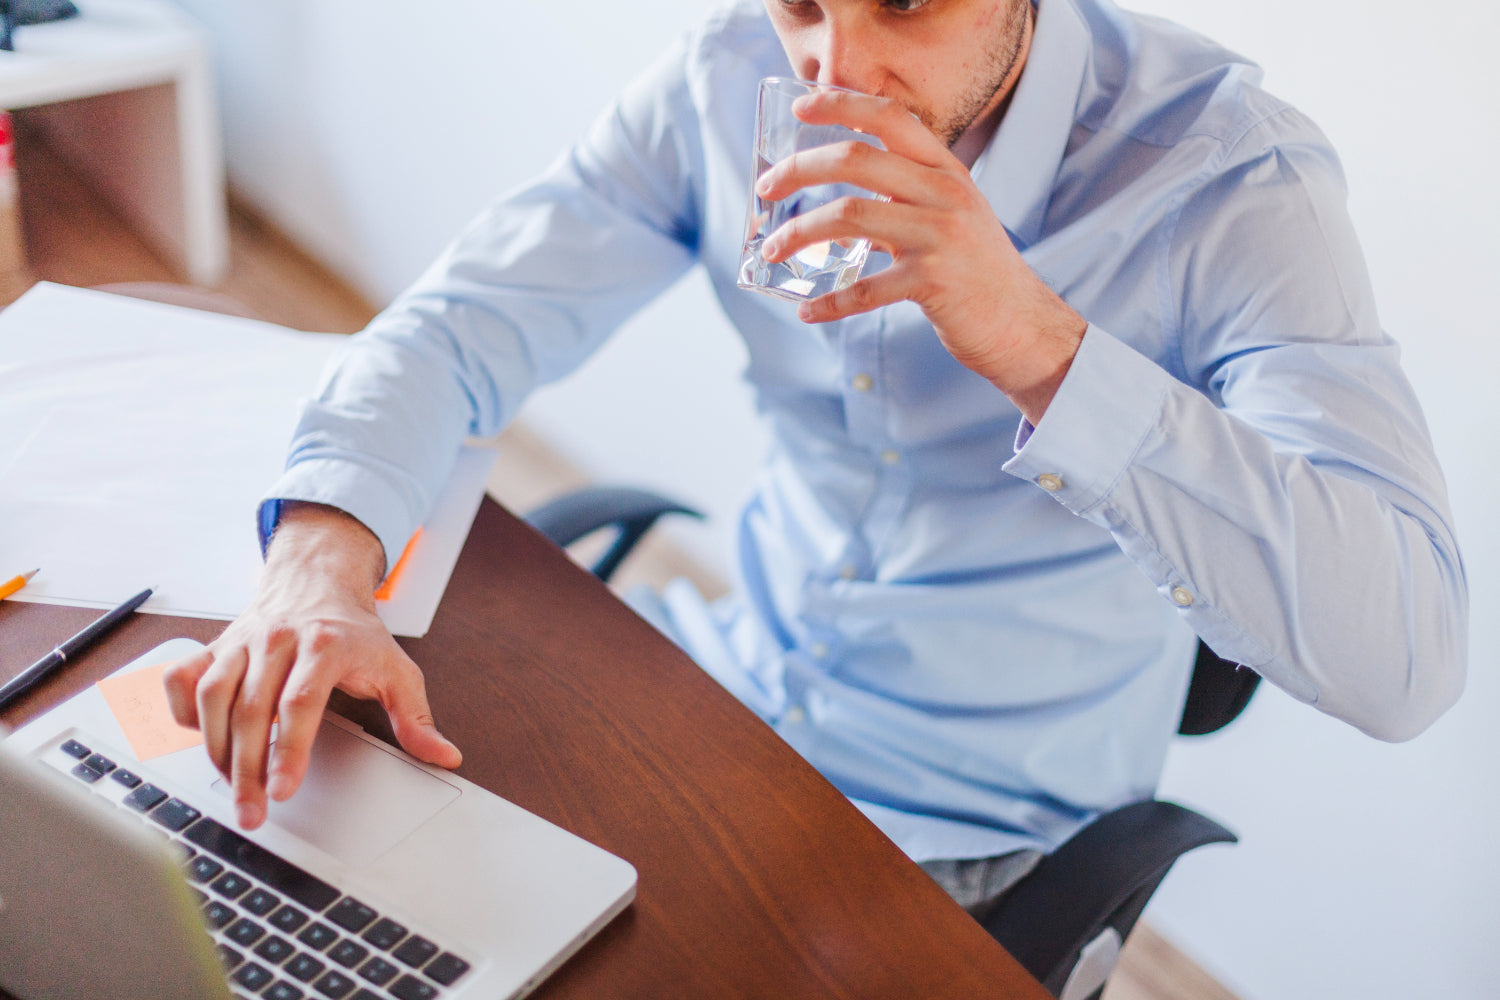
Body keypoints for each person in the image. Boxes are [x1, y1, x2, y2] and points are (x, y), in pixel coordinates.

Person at [165, 0, 1466, 915]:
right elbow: (461, 325)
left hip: (968, 821)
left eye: (907, 2)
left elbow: (1405, 659)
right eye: (801, 3)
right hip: (725, 689)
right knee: (325, 872)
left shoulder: (1229, 175)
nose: (838, 76)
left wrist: (1037, 342)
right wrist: (318, 565)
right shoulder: (728, 72)